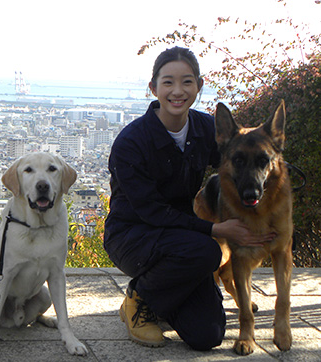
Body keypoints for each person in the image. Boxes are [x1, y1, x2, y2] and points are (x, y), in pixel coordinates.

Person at [103, 46, 275, 351]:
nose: (177, 91)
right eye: (168, 82)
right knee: (208, 252)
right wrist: (216, 229)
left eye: (187, 82)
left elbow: (240, 162)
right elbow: (151, 213)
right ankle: (138, 300)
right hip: (133, 236)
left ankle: (163, 298)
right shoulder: (132, 142)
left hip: (182, 240)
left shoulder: (204, 128)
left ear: (199, 85)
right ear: (153, 87)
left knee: (207, 335)